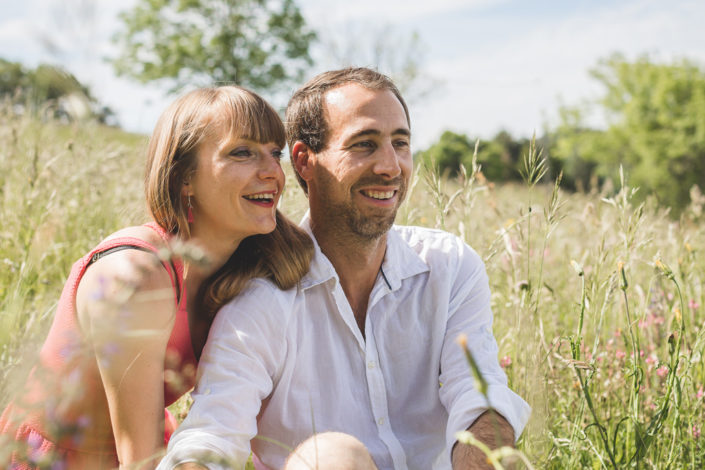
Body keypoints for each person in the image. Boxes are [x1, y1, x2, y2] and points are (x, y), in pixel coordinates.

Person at [158, 68, 531, 470]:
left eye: (400, 143)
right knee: (333, 458)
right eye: (364, 144)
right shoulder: (262, 298)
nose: (391, 167)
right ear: (304, 161)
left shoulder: (449, 266)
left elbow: (479, 397)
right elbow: (211, 434)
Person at [0, 86, 313, 469]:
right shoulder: (134, 277)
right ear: (185, 178)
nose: (272, 173)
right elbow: (139, 461)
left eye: (274, 153)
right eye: (242, 152)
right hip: (53, 459)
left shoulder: (245, 267)